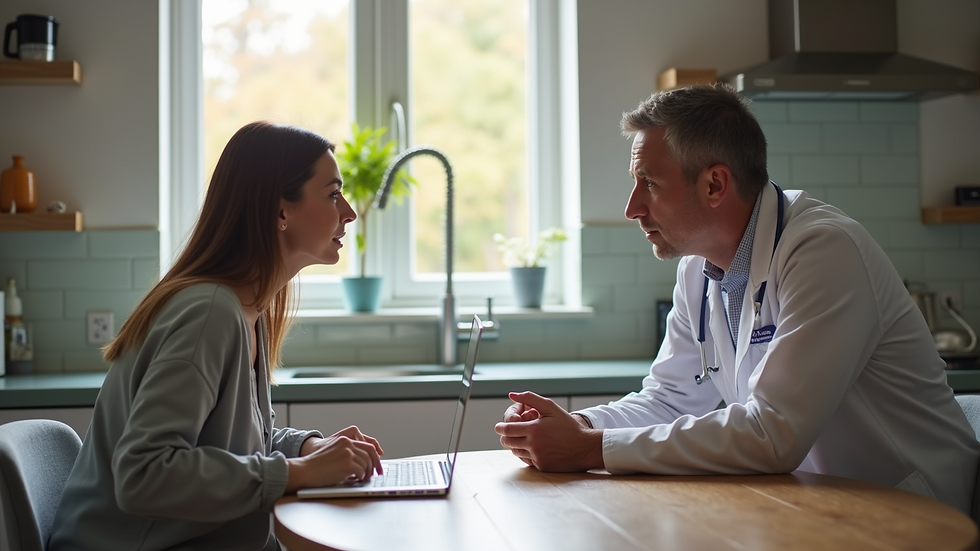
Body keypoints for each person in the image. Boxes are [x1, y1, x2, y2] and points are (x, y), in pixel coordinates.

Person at [495, 84, 980, 515]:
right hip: (814, 502)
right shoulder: (697, 268)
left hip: (908, 509)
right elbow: (671, 399)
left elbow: (773, 433)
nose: (632, 208)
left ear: (714, 184)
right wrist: (575, 424)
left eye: (650, 183)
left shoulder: (824, 250)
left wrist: (586, 449)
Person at [49, 121, 383, 551]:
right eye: (333, 194)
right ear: (280, 211)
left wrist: (309, 448)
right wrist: (299, 473)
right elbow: (146, 474)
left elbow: (235, 446)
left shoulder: (247, 308)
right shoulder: (209, 313)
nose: (349, 212)